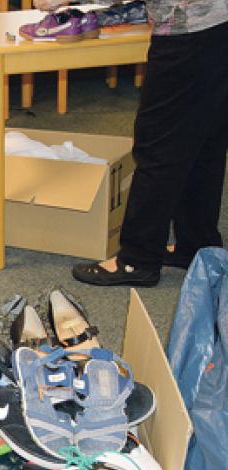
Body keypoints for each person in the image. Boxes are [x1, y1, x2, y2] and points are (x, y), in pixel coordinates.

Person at [68, 0, 228, 286]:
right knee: (204, 140)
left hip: (190, 31)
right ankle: (197, 245)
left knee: (158, 146)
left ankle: (137, 260)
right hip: (217, 24)